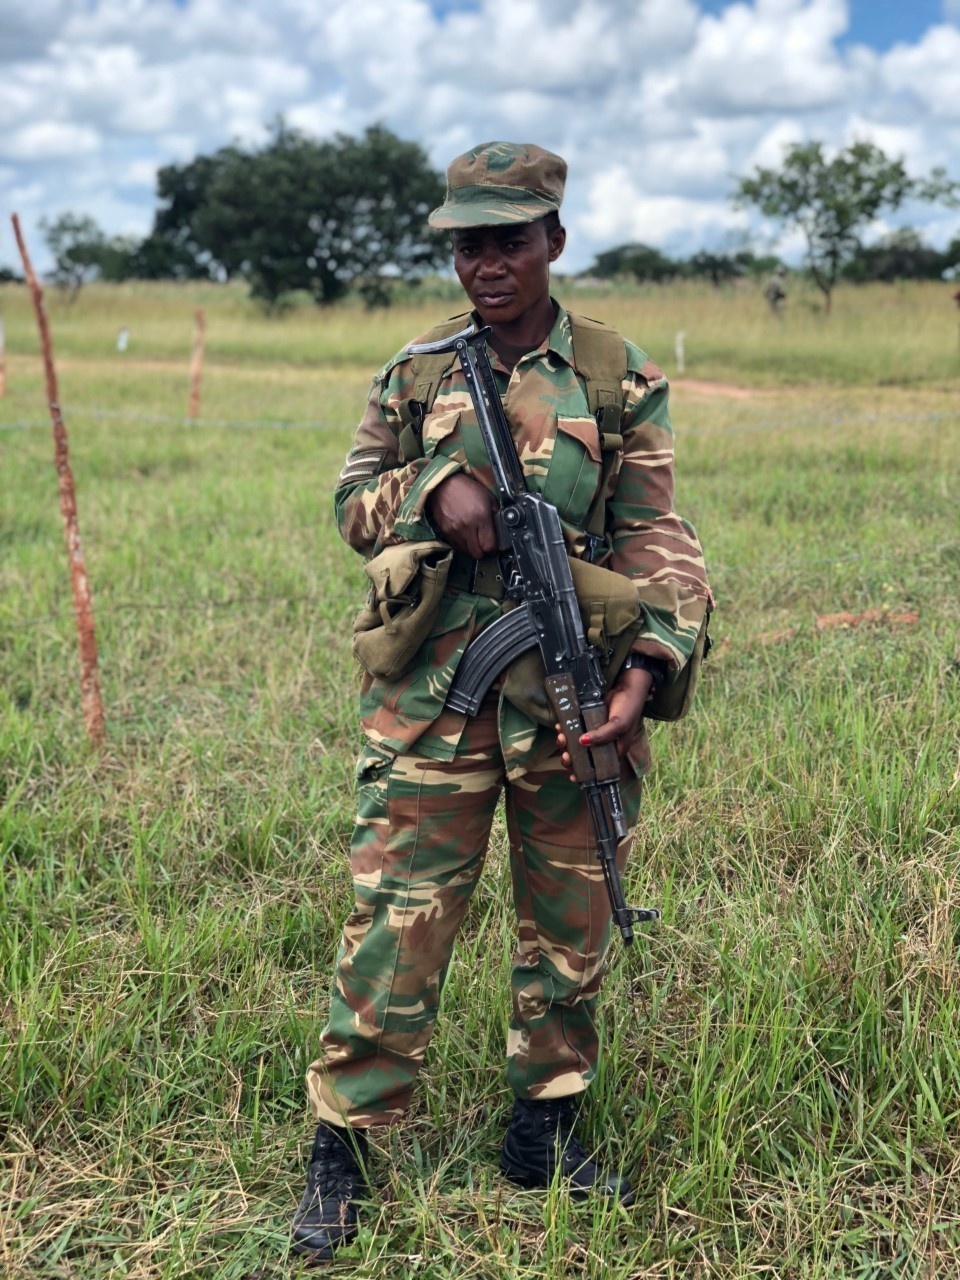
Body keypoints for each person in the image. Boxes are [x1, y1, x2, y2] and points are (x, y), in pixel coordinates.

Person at [290, 141, 710, 1262]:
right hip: (436, 692)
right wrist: (437, 483)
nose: (484, 263)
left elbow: (657, 532)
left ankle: (547, 1125)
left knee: (570, 915)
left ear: (552, 242)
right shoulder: (418, 373)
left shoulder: (617, 375)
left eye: (506, 240)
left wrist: (648, 665)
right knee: (398, 916)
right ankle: (348, 1145)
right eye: (466, 242)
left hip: (572, 686)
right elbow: (350, 503)